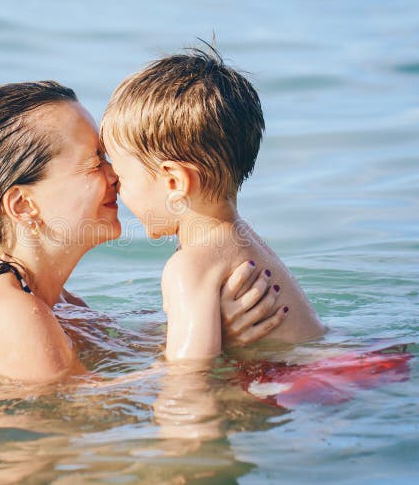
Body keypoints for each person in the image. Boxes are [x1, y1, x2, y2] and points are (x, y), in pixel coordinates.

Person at [0, 81, 287, 383]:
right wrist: (217, 346)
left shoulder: (59, 304)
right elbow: (105, 420)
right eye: (94, 163)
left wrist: (205, 326)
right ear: (24, 205)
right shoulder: (5, 315)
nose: (116, 176)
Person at [100, 46, 326, 363]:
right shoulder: (243, 242)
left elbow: (189, 379)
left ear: (174, 182)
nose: (114, 185)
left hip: (300, 385)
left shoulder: (189, 267)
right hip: (333, 368)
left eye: (121, 176)